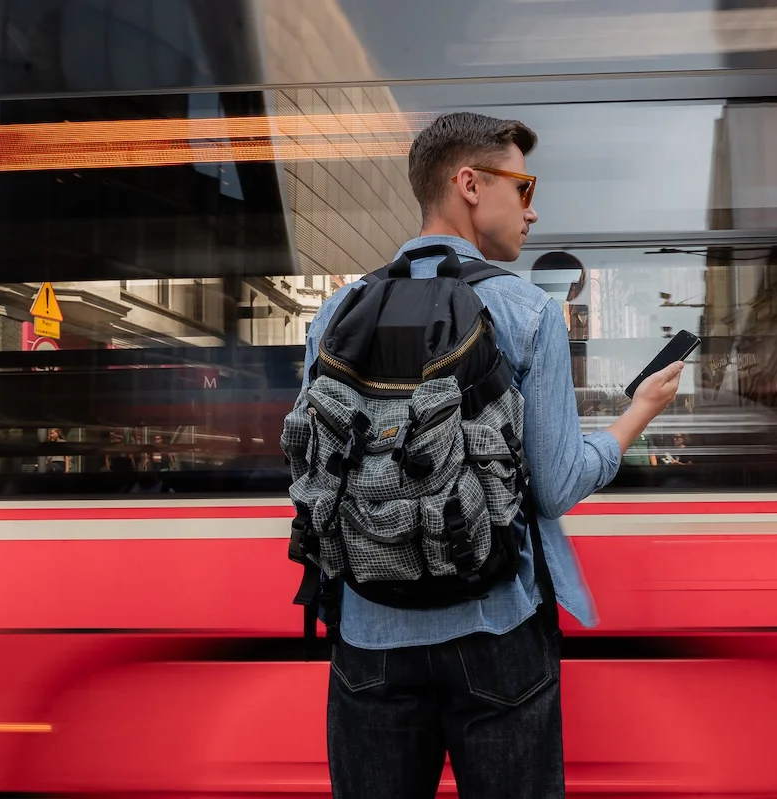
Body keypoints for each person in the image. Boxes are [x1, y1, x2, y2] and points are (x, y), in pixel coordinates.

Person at [292, 112, 683, 799]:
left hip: (370, 632)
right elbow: (556, 485)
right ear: (469, 185)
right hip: (495, 628)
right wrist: (638, 413)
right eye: (523, 187)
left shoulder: (336, 313)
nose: (533, 211)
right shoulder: (527, 311)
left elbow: (314, 469)